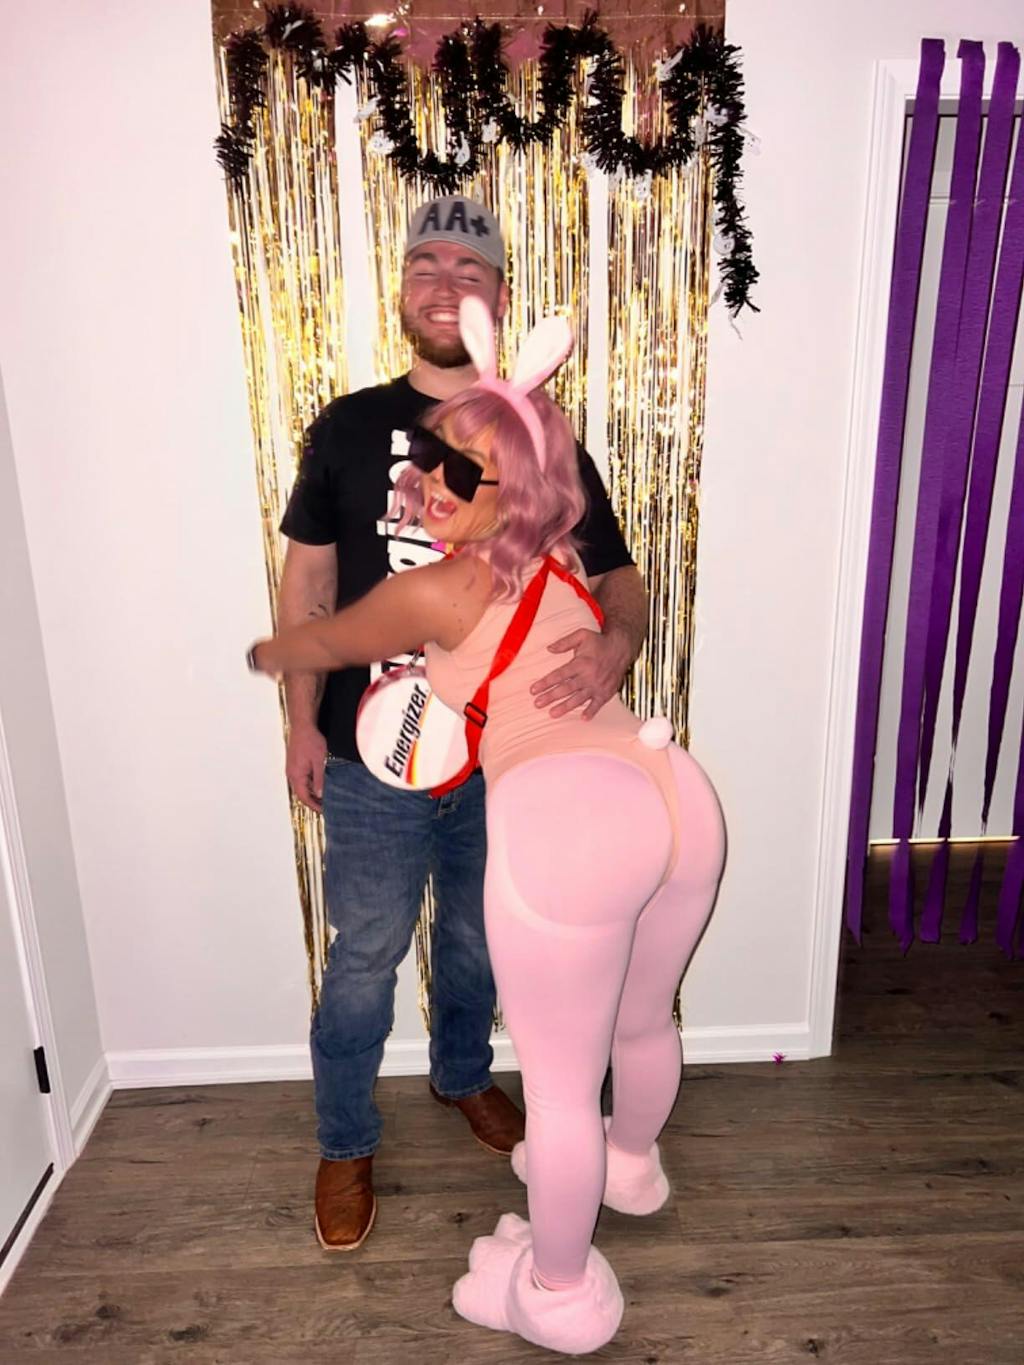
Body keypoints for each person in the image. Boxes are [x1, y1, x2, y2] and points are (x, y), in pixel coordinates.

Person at [251, 296, 725, 1356]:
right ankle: (631, 1168)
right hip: (671, 786)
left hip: (570, 823)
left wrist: (269, 658)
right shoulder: (557, 554)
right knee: (643, 1025)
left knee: (558, 1090)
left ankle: (555, 1290)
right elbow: (605, 583)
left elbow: (318, 639)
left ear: (515, 490)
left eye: (454, 474)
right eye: (424, 460)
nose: (426, 483)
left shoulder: (441, 587)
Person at [276, 195, 648, 1253]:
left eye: (468, 269)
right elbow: (307, 585)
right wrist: (299, 723)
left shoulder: (532, 437)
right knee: (367, 953)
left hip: (506, 758)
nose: (444, 285)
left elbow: (618, 576)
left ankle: (460, 1075)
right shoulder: (347, 427)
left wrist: (618, 644)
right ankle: (345, 1140)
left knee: (483, 937)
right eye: (425, 266)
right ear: (402, 288)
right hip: (371, 758)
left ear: (497, 296)